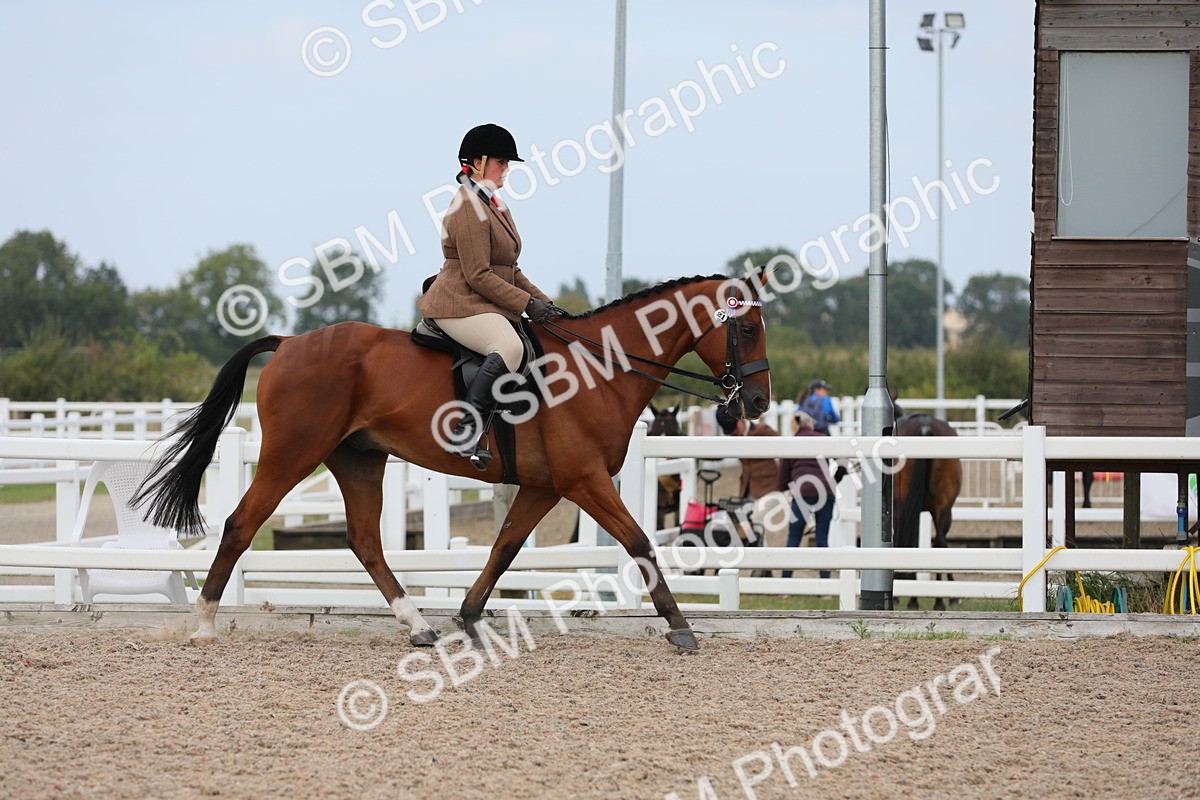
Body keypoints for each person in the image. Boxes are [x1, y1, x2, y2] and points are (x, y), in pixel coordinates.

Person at [417, 123, 563, 456]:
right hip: (458, 302)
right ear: (478, 162)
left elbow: (511, 269)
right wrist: (526, 303)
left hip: (481, 301)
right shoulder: (468, 206)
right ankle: (466, 431)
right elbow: (478, 275)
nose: (507, 169)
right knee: (510, 347)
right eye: (501, 162)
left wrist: (545, 304)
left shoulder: (494, 204)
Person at [776, 410, 837, 578]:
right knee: (822, 539)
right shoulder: (823, 439)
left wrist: (790, 484)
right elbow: (843, 462)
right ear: (810, 423)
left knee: (794, 538)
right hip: (825, 490)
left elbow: (782, 479)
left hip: (802, 492)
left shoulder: (791, 443)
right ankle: (825, 583)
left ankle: (786, 582)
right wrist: (834, 480)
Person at [714, 404, 779, 502]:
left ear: (741, 420)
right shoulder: (735, 438)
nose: (733, 434)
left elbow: (782, 447)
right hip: (747, 489)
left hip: (768, 487)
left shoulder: (762, 430)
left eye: (735, 429)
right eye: (731, 433)